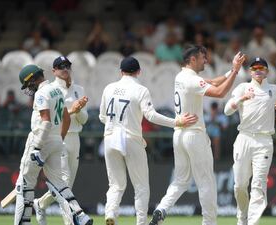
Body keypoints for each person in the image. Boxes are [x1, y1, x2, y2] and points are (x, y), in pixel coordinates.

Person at [150, 45, 245, 225]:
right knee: (206, 182)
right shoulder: (192, 80)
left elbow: (214, 82)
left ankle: (162, 209)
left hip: (179, 135)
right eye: (203, 57)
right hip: (194, 135)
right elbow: (220, 92)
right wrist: (236, 72)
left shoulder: (181, 76)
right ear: (192, 59)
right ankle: (209, 223)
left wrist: (232, 70)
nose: (206, 61)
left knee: (180, 180)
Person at [99, 56, 198, 225]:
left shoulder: (109, 88)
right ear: (138, 72)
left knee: (115, 185)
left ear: (121, 72)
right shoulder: (140, 90)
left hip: (109, 138)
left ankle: (110, 213)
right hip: (131, 138)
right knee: (141, 186)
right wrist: (176, 121)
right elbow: (150, 115)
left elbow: (102, 117)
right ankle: (141, 222)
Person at [14, 64, 92, 225]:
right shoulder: (57, 90)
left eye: (28, 84)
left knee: (24, 184)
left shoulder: (41, 93)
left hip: (40, 139)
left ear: (32, 79)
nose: (28, 88)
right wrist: (60, 140)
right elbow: (67, 118)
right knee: (60, 183)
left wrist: (36, 147)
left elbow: (46, 122)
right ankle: (79, 214)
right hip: (56, 140)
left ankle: (23, 223)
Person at [224, 57, 276, 225]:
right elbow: (226, 111)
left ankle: (252, 223)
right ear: (250, 71)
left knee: (258, 184)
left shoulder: (274, 90)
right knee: (239, 185)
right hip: (244, 138)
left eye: (261, 68)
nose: (258, 70)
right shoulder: (243, 87)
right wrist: (241, 98)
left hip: (264, 141)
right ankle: (242, 218)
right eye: (254, 68)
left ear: (267, 71)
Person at [33, 56, 89, 225]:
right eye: (61, 66)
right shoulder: (51, 90)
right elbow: (51, 117)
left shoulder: (78, 89)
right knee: (64, 181)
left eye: (67, 66)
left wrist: (78, 110)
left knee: (67, 185)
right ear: (54, 71)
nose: (65, 69)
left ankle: (40, 203)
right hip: (59, 137)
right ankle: (70, 222)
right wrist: (72, 110)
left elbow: (84, 119)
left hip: (74, 138)